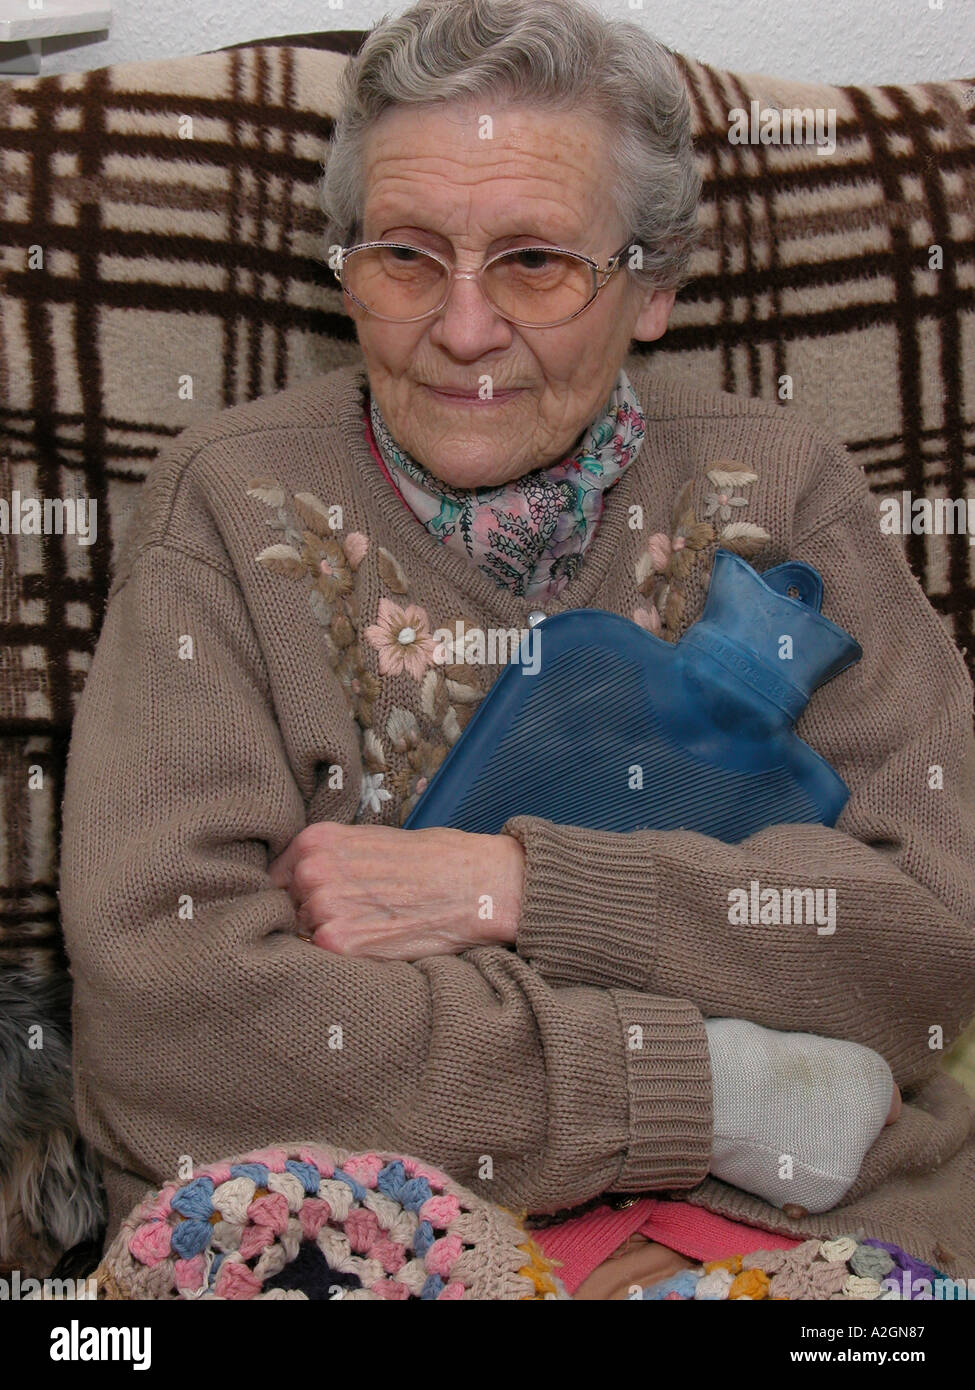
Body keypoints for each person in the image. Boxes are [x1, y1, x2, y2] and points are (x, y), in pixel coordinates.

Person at [60, 0, 975, 1299]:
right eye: (408, 257)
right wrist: (710, 1085)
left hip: (808, 1237)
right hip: (375, 1233)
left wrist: (522, 890)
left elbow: (930, 939)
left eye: (536, 262)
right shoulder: (226, 504)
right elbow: (175, 1012)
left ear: (652, 287)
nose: (467, 328)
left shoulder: (784, 493)